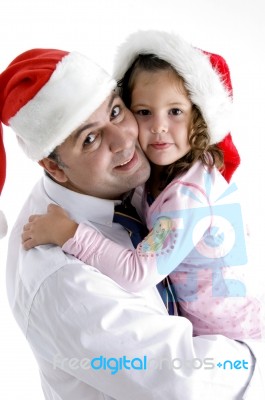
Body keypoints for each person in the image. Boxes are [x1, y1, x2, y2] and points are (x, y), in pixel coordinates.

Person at [0, 43, 264, 400]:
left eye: (115, 111)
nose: (125, 139)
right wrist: (252, 357)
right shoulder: (61, 277)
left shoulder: (146, 186)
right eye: (90, 139)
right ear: (53, 167)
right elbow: (183, 382)